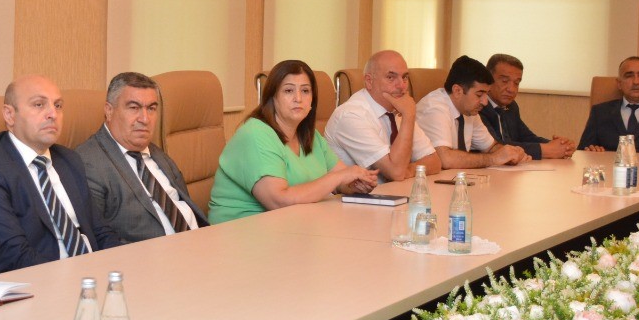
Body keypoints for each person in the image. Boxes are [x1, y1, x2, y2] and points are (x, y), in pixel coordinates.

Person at [0, 74, 118, 274]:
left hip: (93, 277)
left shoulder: (69, 159)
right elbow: (13, 257)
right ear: (9, 115)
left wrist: (120, 269)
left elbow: (101, 232)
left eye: (58, 105)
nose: (53, 114)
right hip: (36, 283)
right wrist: (76, 277)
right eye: (39, 105)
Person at [209, 59, 378, 224]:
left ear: (312, 99)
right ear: (272, 97)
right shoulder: (255, 133)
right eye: (288, 91)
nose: (298, 98)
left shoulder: (310, 136)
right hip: (241, 229)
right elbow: (278, 201)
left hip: (293, 224)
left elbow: (343, 182)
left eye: (305, 91)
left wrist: (357, 184)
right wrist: (340, 177)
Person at [76, 72, 206, 244]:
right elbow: (99, 239)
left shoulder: (156, 153)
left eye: (151, 108)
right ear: (109, 110)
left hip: (200, 242)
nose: (145, 119)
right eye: (134, 108)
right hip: (152, 256)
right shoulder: (88, 163)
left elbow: (184, 204)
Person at [324, 50, 442, 180]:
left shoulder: (398, 108)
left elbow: (434, 161)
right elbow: (396, 172)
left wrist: (408, 171)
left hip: (393, 191)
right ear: (369, 81)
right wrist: (409, 116)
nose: (401, 86)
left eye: (404, 77)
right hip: (358, 193)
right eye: (391, 77)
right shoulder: (351, 115)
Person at [416, 55, 529, 169]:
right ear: (457, 91)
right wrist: (493, 158)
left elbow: (490, 147)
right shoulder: (434, 108)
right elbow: (445, 160)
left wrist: (511, 154)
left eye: (486, 94)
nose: (485, 102)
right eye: (479, 95)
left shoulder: (469, 110)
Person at [480, 53, 575, 160]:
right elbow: (495, 145)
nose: (511, 89)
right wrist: (546, 150)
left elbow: (526, 137)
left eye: (516, 83)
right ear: (488, 79)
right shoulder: (478, 106)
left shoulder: (511, 106)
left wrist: (560, 146)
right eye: (505, 81)